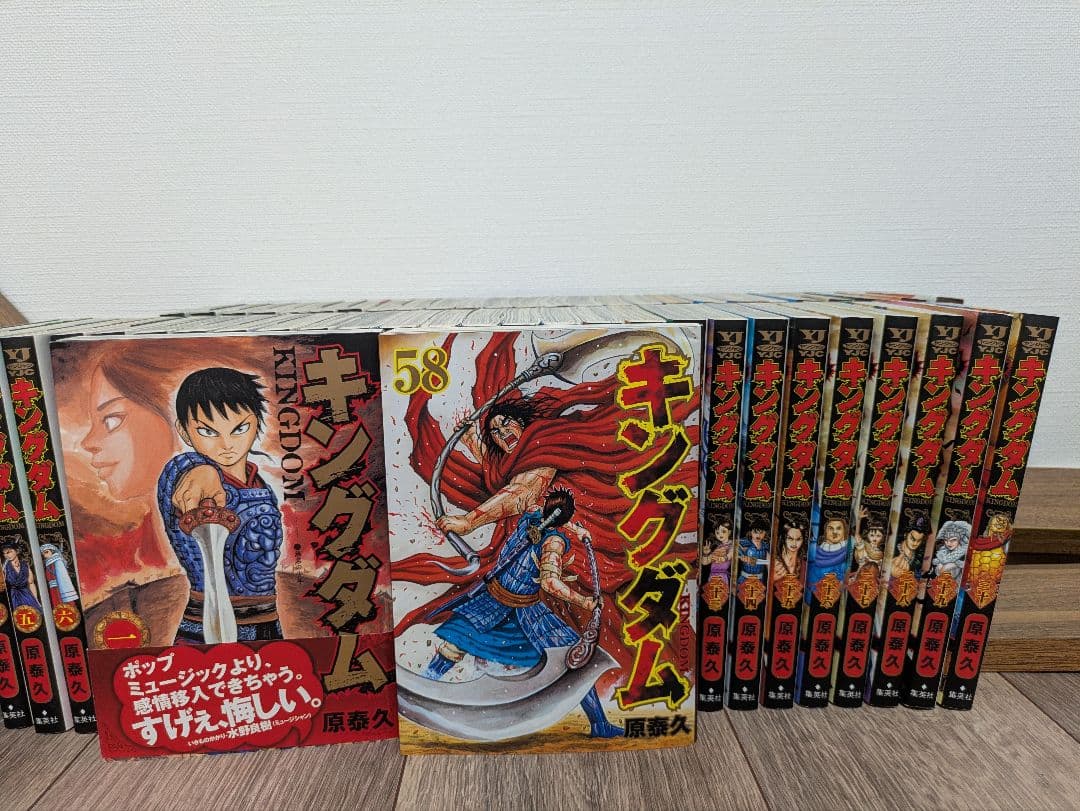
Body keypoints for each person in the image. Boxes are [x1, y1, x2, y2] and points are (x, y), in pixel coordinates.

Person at [422, 488, 622, 738]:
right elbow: (550, 584)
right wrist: (585, 602)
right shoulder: (554, 542)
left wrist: (576, 530)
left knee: (455, 645)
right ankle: (599, 724)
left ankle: (424, 689)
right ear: (566, 516)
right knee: (576, 660)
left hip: (505, 602)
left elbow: (551, 515)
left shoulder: (532, 515)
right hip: (518, 610)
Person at [157, 368, 282, 643]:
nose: (227, 444)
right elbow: (183, 473)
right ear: (184, 431)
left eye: (240, 428)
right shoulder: (191, 472)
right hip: (205, 628)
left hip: (268, 625)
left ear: (257, 421)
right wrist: (200, 469)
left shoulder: (261, 485)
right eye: (207, 431)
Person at [805, 516, 850, 589]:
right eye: (830, 528)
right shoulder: (814, 551)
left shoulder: (849, 552)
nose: (834, 532)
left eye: (839, 528)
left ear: (844, 531)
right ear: (825, 531)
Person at [2, 541, 41, 612]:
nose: (6, 555)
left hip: (27, 595)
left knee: (34, 613)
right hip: (14, 597)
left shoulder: (25, 565)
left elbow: (31, 583)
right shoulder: (4, 568)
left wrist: (36, 599)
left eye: (9, 552)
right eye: (4, 553)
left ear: (17, 551)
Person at [890, 513, 930, 579]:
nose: (915, 543)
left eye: (919, 540)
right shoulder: (892, 549)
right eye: (912, 539)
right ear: (905, 535)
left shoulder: (919, 558)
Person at [701, 516, 733, 585]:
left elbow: (730, 555)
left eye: (723, 531)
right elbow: (705, 563)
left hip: (722, 576)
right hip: (712, 575)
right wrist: (706, 553)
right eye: (717, 532)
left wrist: (723, 558)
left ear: (729, 532)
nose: (720, 534)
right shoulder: (717, 546)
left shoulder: (732, 544)